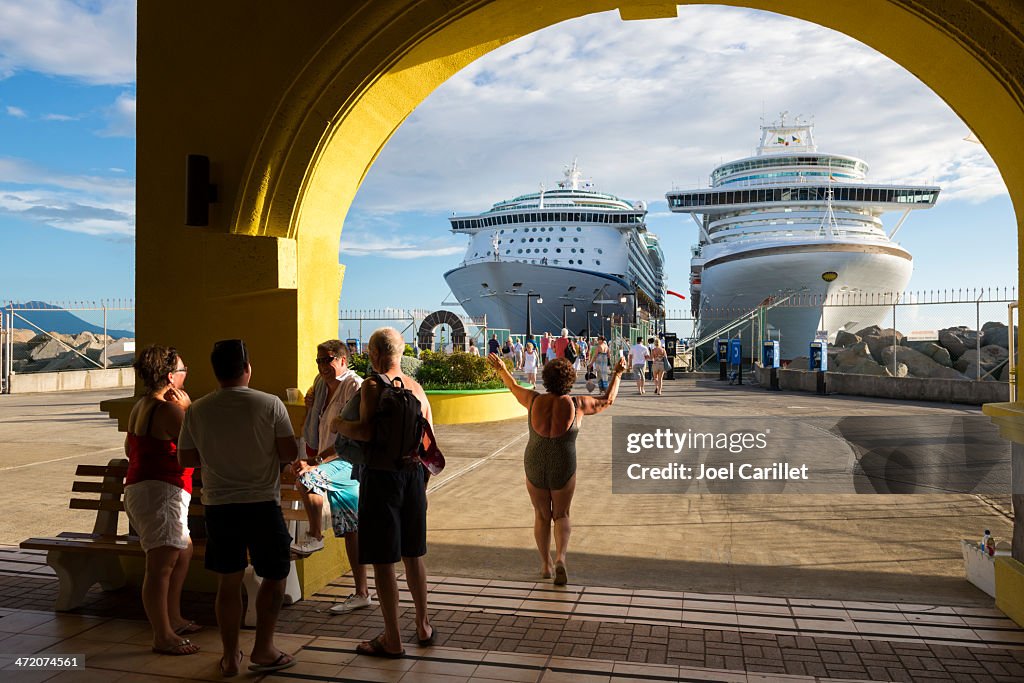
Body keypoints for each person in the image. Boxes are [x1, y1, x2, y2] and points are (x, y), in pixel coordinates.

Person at [177, 339, 298, 676]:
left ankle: (230, 657)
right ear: (247, 369)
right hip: (262, 505)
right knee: (275, 575)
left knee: (227, 584)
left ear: (216, 372)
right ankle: (264, 648)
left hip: (220, 507)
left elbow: (186, 458)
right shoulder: (270, 404)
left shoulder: (198, 409)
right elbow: (289, 452)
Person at [335, 327, 435, 659]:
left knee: (382, 562)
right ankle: (423, 625)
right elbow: (429, 442)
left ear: (375, 354)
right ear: (400, 353)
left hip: (381, 479)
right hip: (413, 477)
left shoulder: (372, 386)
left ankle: (392, 638)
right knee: (413, 556)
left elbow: (364, 430)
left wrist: (338, 425)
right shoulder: (417, 389)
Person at [488, 353, 626, 585]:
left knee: (542, 516)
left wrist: (501, 368)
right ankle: (560, 558)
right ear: (570, 380)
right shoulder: (577, 403)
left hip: (534, 461)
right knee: (562, 515)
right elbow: (607, 400)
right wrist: (618, 374)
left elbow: (512, 386)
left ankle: (545, 564)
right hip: (563, 463)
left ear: (546, 379)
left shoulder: (533, 400)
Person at [123, 345, 200, 656]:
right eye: (183, 371)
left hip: (145, 488)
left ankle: (174, 617)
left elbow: (131, 450)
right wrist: (190, 409)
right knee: (160, 565)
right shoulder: (169, 410)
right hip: (162, 492)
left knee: (183, 551)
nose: (185, 375)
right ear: (171, 377)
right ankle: (162, 634)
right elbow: (198, 444)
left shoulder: (141, 406)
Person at [290, 340, 374, 614]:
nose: (323, 366)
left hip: (348, 462)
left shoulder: (356, 387)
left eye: (328, 360)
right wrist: (310, 405)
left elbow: (352, 434)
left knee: (307, 479)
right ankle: (362, 592)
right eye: (319, 361)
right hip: (330, 460)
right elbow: (316, 427)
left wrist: (315, 462)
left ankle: (315, 534)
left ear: (343, 360)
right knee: (351, 529)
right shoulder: (320, 384)